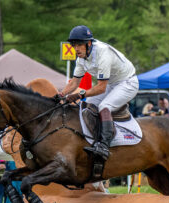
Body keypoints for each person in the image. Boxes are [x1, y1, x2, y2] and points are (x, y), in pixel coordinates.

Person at [60, 25, 139, 161]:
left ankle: (104, 146)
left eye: (79, 44)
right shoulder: (81, 58)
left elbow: (101, 87)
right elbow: (74, 83)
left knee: (104, 106)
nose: (76, 48)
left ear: (89, 43)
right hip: (112, 84)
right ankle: (93, 139)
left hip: (127, 82)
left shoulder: (102, 53)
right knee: (86, 106)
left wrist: (80, 95)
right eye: (74, 45)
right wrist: (60, 95)